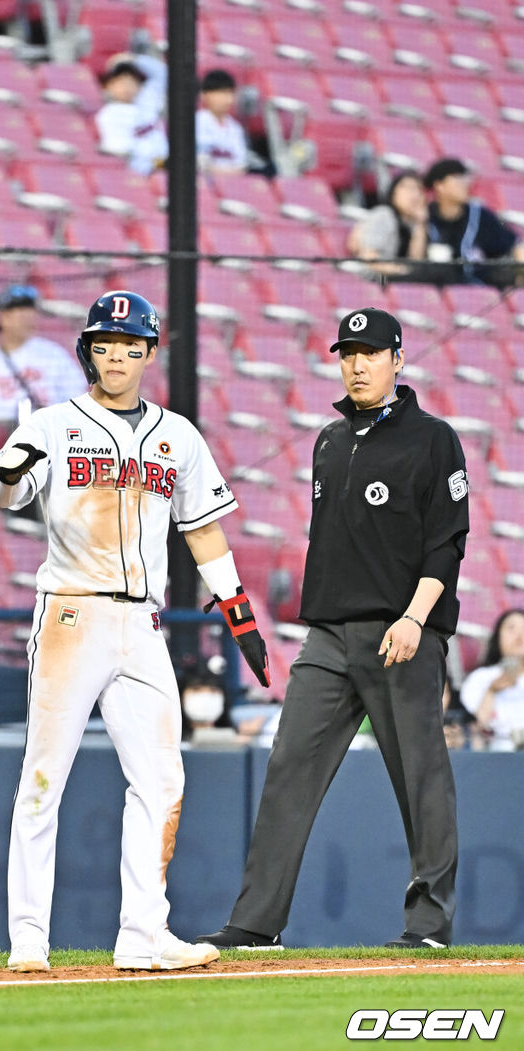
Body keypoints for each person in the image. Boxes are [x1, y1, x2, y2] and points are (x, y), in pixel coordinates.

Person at [0, 289, 271, 974]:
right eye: (105, 344)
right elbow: (7, 489)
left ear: (148, 352)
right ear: (89, 351)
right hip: (72, 612)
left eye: (130, 345)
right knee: (43, 777)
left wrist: (236, 607)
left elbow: (202, 527)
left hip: (143, 620)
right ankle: (29, 937)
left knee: (161, 777)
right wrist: (9, 476)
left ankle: (143, 933)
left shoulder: (177, 435)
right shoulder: (54, 424)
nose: (117, 355)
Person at [197, 307, 470, 953]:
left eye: (370, 352)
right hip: (326, 636)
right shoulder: (328, 439)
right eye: (347, 352)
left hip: (402, 632)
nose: (356, 363)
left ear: (397, 360)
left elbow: (448, 543)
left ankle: (428, 926)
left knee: (421, 778)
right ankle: (257, 923)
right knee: (289, 765)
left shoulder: (433, 438)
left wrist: (414, 617)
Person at [0, 283, 86, 423]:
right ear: (2, 317)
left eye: (32, 313)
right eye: (20, 314)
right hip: (1, 439)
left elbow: (76, 400)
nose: (29, 319)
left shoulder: (54, 355)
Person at [424, 157, 524, 287]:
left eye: (464, 179)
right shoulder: (425, 214)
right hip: (433, 288)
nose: (465, 184)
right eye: (457, 179)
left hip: (478, 288)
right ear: (439, 186)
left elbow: (514, 245)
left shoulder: (480, 215)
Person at [348, 170, 431, 280]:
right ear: (393, 192)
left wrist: (420, 224)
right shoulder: (383, 215)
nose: (414, 195)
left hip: (398, 283)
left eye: (418, 189)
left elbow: (416, 261)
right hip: (373, 280)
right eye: (408, 188)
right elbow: (369, 257)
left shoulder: (412, 224)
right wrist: (402, 272)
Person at [459, 608, 524, 749]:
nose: (519, 636)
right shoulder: (480, 678)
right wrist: (492, 690)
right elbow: (482, 724)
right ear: (498, 636)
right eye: (511, 628)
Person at [94, 57, 169, 175]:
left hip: (163, 167)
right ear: (108, 87)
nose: (126, 87)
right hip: (137, 172)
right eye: (120, 82)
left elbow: (163, 74)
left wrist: (134, 59)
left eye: (130, 82)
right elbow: (122, 150)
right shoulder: (108, 114)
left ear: (139, 86)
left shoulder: (147, 103)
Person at [195, 69, 248, 175]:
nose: (228, 99)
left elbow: (242, 167)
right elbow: (199, 164)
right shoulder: (197, 122)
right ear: (204, 95)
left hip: (230, 185)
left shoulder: (235, 128)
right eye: (222, 93)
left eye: (230, 93)